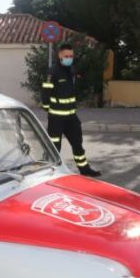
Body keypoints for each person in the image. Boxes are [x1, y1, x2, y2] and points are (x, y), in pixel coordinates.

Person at [41, 42, 101, 177]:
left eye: (71, 56)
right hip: (56, 118)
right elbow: (45, 93)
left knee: (78, 144)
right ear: (59, 56)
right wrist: (48, 109)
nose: (69, 58)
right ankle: (49, 172)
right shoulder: (52, 72)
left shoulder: (72, 70)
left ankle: (85, 169)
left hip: (71, 117)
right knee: (54, 147)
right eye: (66, 55)